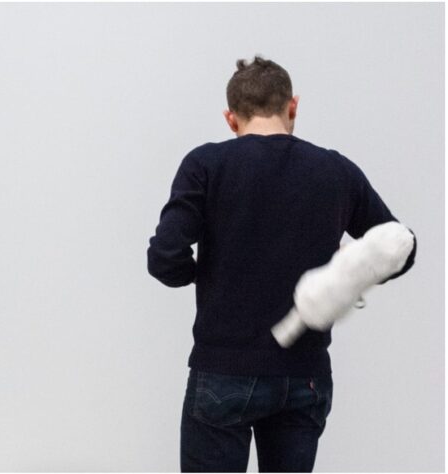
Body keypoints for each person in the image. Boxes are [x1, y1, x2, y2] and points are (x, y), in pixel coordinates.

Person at [147, 56, 415, 472]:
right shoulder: (336, 170)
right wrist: (355, 264)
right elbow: (402, 248)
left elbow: (164, 258)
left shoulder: (206, 165)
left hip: (224, 369)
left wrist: (200, 275)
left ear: (230, 117)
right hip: (303, 375)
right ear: (293, 106)